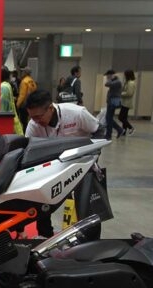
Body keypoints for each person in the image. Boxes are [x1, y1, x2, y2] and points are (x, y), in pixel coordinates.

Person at [24, 89, 100, 237]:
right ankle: (45, 237)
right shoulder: (33, 125)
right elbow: (28, 150)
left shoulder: (76, 113)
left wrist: (93, 157)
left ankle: (91, 240)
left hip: (82, 165)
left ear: (50, 108)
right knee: (41, 200)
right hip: (54, 167)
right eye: (32, 117)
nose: (36, 121)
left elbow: (99, 130)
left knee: (87, 206)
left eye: (39, 116)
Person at [0, 66, 23, 136]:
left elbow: (2, 111)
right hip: (12, 125)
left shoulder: (3, 87)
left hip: (10, 128)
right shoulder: (6, 85)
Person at [103, 69, 124, 140]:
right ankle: (118, 130)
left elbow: (107, 84)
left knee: (108, 118)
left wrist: (110, 79)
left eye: (108, 75)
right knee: (109, 118)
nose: (107, 77)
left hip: (114, 101)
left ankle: (109, 134)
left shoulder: (117, 82)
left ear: (111, 75)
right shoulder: (115, 81)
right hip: (111, 101)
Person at [16, 66, 37, 131]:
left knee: (23, 121)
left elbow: (22, 95)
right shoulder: (32, 81)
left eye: (23, 72)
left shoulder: (24, 81)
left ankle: (24, 132)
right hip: (32, 103)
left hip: (24, 105)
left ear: (25, 72)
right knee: (29, 120)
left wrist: (17, 104)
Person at [118, 69, 136, 135]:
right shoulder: (127, 82)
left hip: (126, 103)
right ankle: (124, 131)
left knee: (120, 117)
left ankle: (131, 128)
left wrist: (121, 94)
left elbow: (129, 93)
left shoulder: (131, 83)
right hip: (124, 102)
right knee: (124, 118)